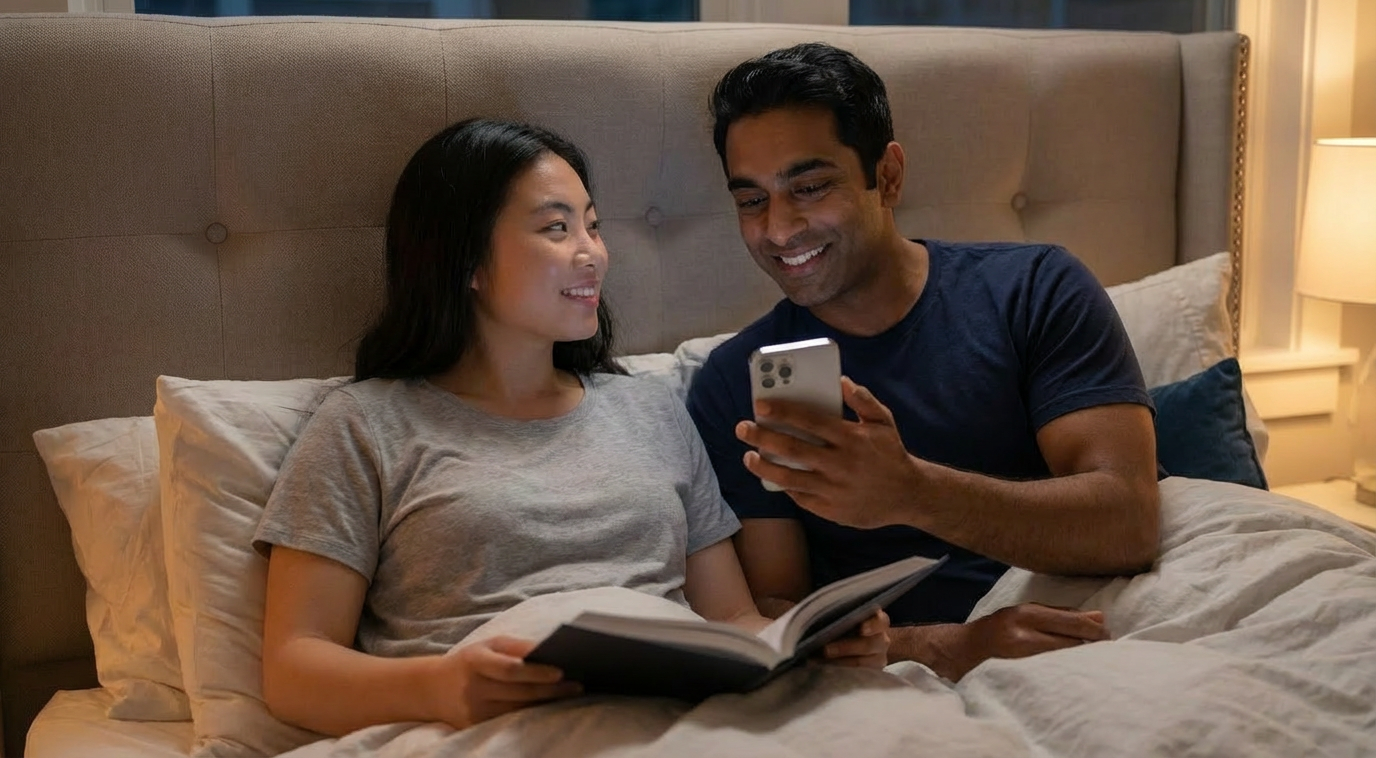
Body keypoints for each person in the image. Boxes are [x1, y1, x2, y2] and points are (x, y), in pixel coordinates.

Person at [252, 118, 889, 737]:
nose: (594, 255)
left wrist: (812, 649)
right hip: (494, 728)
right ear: (465, 259)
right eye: (557, 228)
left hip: (680, 714)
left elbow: (733, 622)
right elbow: (292, 671)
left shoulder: (651, 409)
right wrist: (439, 687)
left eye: (593, 226)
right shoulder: (364, 425)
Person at [686, 43, 1160, 683]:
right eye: (751, 201)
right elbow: (775, 610)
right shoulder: (735, 382)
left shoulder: (1033, 290)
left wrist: (913, 492)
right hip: (906, 670)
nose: (778, 230)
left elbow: (1128, 522)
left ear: (887, 176)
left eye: (810, 187)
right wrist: (946, 646)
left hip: (1097, 622)